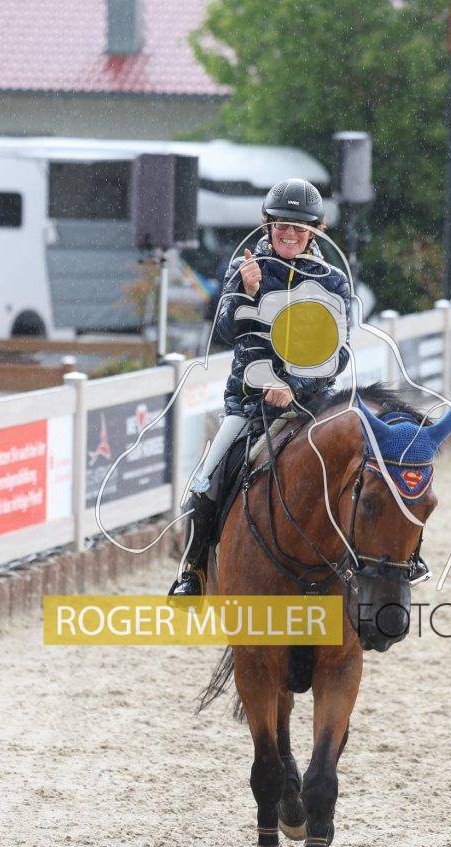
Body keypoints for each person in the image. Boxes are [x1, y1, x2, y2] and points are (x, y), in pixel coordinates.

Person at [168, 178, 353, 597]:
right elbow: (226, 332)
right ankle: (192, 573)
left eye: (299, 227)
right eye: (281, 224)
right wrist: (250, 291)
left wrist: (294, 387)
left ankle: (377, 571)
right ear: (267, 224)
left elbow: (337, 353)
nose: (289, 233)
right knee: (205, 485)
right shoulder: (244, 267)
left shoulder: (334, 281)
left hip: (313, 403)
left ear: (315, 231)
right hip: (250, 406)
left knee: (364, 475)